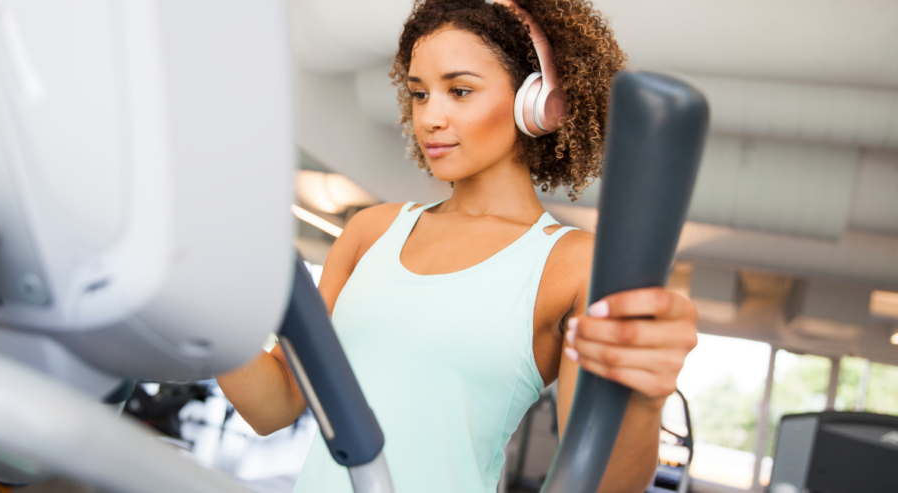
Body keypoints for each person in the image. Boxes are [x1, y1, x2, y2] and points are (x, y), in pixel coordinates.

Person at [217, 0, 699, 491]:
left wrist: (644, 397)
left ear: (535, 100)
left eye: (460, 90)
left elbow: (598, 480)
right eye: (420, 94)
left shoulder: (572, 265)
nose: (430, 117)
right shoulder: (371, 232)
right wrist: (201, 300)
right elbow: (274, 405)